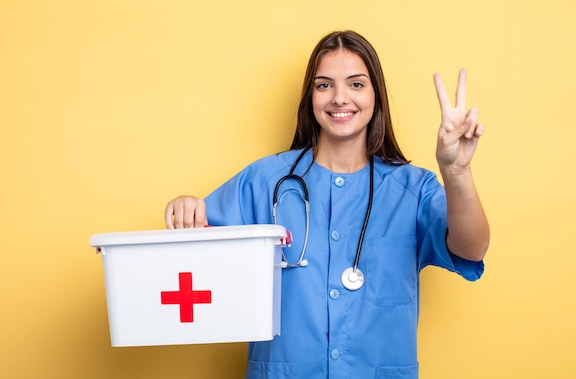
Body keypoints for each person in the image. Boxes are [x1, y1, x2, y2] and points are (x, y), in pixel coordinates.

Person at [164, 30, 489, 379]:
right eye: (324, 85)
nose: (339, 98)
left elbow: (471, 249)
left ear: (376, 95)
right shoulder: (264, 181)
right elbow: (196, 251)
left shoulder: (412, 188)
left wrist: (456, 171)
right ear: (310, 97)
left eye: (356, 84)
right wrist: (184, 209)